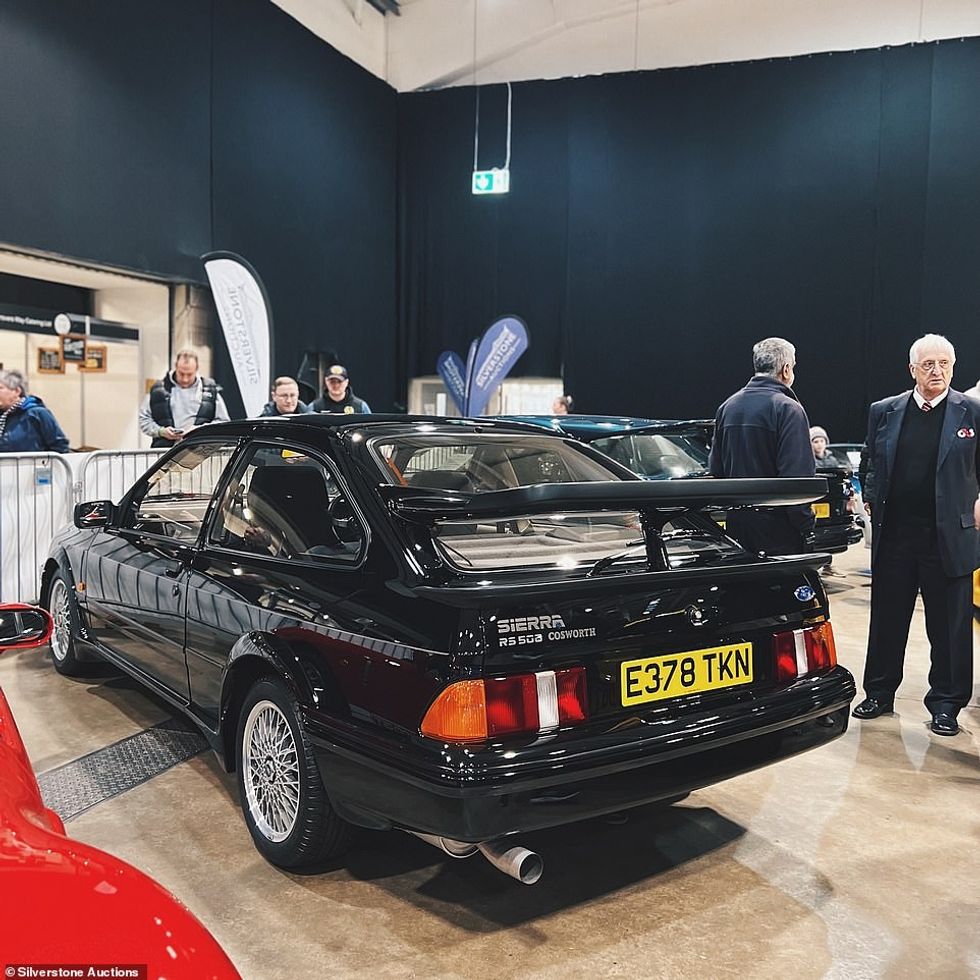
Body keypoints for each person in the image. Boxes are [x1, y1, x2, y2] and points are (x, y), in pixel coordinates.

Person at [853, 334, 980, 736]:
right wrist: (871, 495)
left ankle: (946, 704)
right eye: (928, 365)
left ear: (953, 368)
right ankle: (879, 693)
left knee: (949, 628)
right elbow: (870, 458)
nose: (937, 371)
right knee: (888, 620)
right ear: (913, 369)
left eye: (944, 364)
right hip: (896, 536)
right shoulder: (884, 411)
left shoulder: (971, 413)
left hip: (949, 537)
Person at [708, 337, 815, 555]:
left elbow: (716, 470)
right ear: (786, 370)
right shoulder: (788, 409)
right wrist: (806, 524)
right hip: (779, 531)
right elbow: (796, 481)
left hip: (737, 526)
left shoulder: (727, 407)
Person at [138, 350, 230, 448]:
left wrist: (199, 431)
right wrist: (161, 432)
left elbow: (223, 422)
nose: (185, 379)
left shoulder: (210, 389)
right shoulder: (158, 389)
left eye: (189, 374)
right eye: (181, 373)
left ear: (197, 369)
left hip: (201, 453)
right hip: (165, 452)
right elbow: (144, 419)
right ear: (176, 367)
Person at [0, 370, 69, 453]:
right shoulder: (3, 415)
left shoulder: (37, 413)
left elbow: (59, 446)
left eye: (0, 388)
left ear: (17, 391)